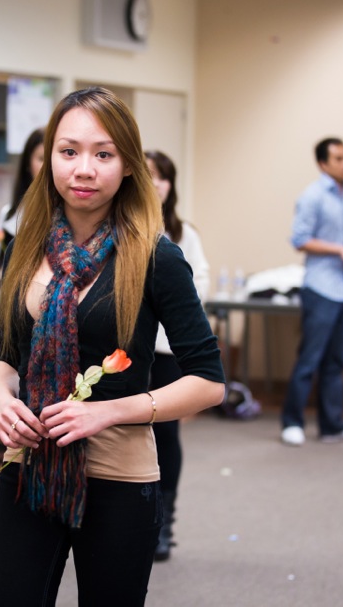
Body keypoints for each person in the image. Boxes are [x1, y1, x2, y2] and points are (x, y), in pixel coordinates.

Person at [0, 87, 225, 606]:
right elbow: (6, 357)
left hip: (118, 476)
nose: (84, 169)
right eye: (69, 151)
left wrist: (107, 412)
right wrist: (3, 401)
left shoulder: (157, 257)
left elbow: (209, 383)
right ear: (48, 157)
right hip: (29, 467)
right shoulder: (24, 248)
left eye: (104, 154)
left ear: (129, 165)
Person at [281, 137, 343, 447]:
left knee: (336, 363)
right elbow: (299, 239)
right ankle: (292, 423)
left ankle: (333, 426)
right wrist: (338, 250)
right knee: (310, 359)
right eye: (338, 158)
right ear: (323, 163)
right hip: (320, 288)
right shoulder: (313, 196)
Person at [144, 150, 210, 562]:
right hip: (124, 351)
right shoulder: (118, 225)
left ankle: (164, 522)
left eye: (162, 176)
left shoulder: (184, 233)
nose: (155, 183)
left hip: (166, 349)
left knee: (166, 434)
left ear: (171, 184)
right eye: (148, 175)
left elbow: (199, 284)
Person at [0, 127, 45, 267]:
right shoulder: (9, 215)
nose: (48, 166)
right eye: (41, 159)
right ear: (27, 164)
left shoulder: (71, 216)